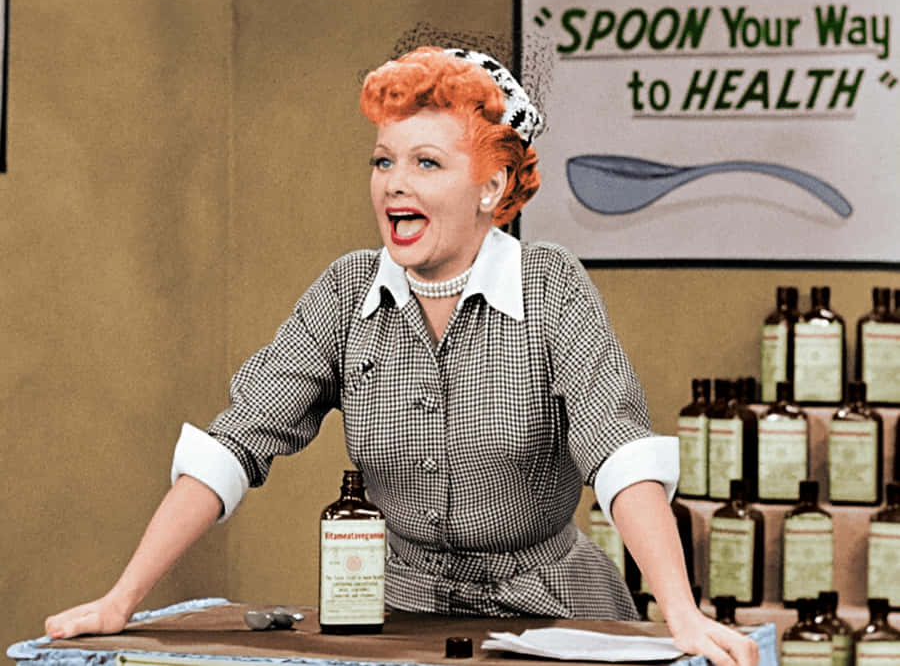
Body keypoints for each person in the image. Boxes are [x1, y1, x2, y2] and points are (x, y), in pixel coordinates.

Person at [46, 47, 758, 666]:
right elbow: (235, 442)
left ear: (492, 186)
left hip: (555, 616)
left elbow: (619, 455)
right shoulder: (344, 292)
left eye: (426, 162)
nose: (394, 182)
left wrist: (681, 611)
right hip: (398, 621)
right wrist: (121, 598)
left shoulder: (550, 286)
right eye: (384, 160)